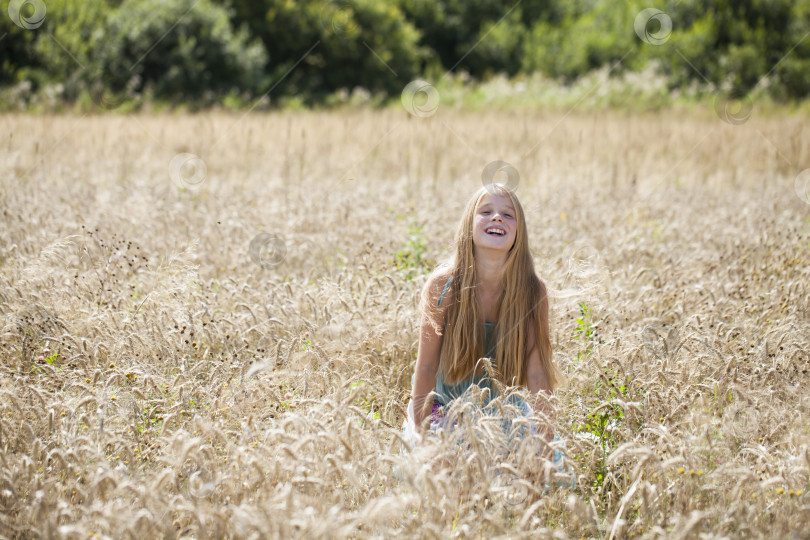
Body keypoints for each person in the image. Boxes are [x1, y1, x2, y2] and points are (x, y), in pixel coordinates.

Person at [404, 184, 564, 459]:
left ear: (519, 233)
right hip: (444, 412)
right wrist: (423, 436)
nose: (497, 217)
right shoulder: (443, 286)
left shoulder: (532, 292)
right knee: (451, 494)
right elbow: (427, 366)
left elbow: (538, 375)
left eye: (508, 214)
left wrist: (545, 445)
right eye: (486, 211)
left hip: (505, 418)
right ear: (469, 226)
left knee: (518, 491)